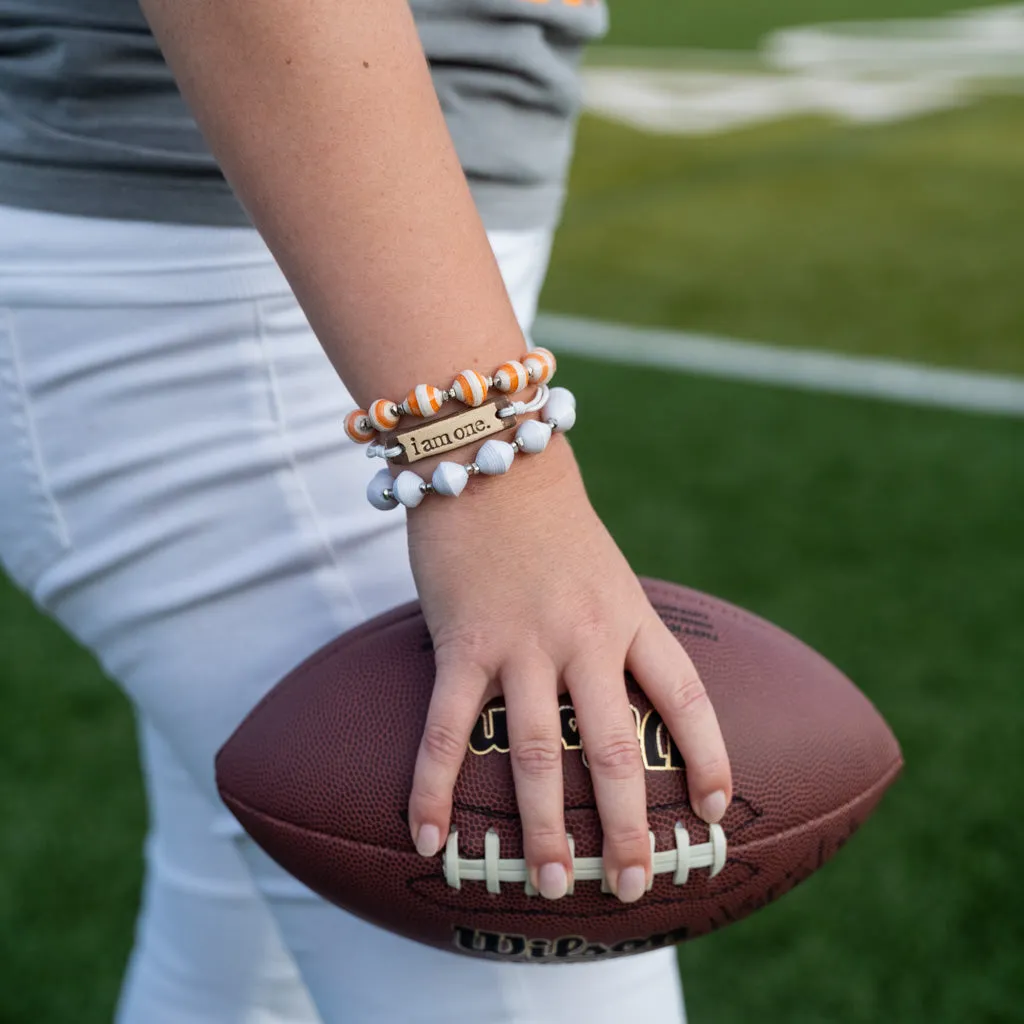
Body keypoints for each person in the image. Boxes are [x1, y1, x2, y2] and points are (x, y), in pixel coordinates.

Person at [0, 0, 733, 1021]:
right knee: (543, 920)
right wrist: (485, 457)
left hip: (346, 238)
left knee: (244, 969)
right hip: (213, 278)